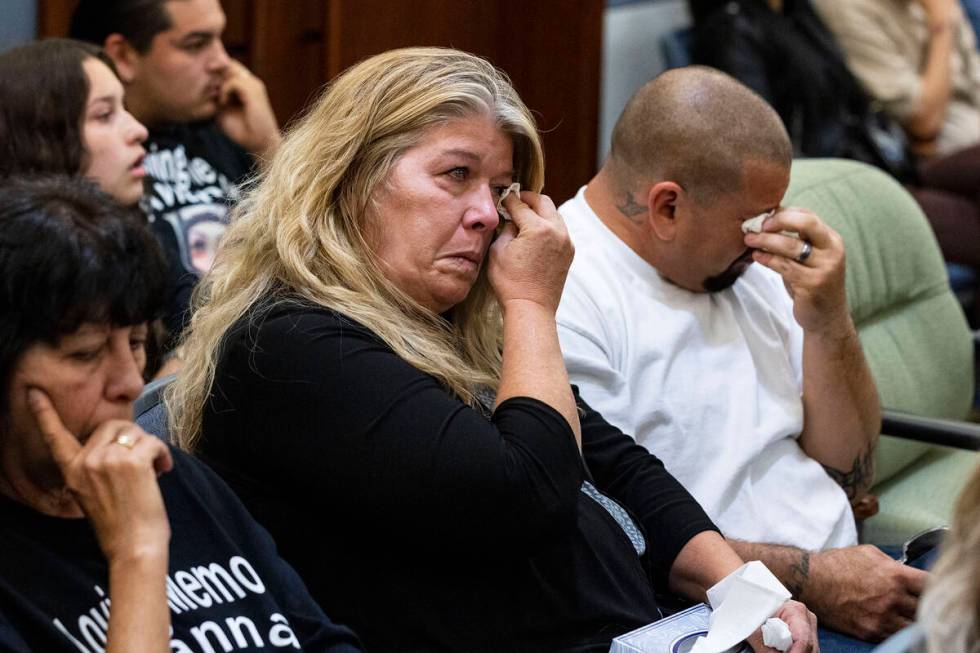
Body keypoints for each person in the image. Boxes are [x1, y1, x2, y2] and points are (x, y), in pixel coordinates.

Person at [166, 47, 818, 652]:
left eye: (501, 189)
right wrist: (532, 305)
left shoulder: (445, 323)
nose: (486, 213)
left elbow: (616, 462)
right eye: (456, 175)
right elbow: (527, 495)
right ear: (349, 179)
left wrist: (740, 591)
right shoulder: (292, 344)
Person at [554, 66, 925, 649]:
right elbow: (618, 529)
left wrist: (828, 316)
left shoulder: (743, 269)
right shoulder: (565, 291)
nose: (766, 239)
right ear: (667, 207)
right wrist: (817, 580)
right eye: (753, 222)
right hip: (736, 616)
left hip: (856, 575)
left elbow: (850, 464)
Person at [0, 176, 362, 652]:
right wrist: (136, 553)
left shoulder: (176, 476)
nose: (130, 382)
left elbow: (321, 640)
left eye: (134, 344)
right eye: (86, 354)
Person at [70, 0, 282, 344]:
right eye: (196, 44)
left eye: (219, 39)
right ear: (123, 55)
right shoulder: (97, 154)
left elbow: (308, 249)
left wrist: (268, 146)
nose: (222, 62)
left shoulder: (230, 125)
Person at [0, 38, 180, 376]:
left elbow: (194, 325)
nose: (138, 130)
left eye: (125, 108)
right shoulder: (16, 268)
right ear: (43, 140)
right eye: (105, 114)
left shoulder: (145, 227)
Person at [810, 0, 980, 278]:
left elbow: (975, 78)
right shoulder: (846, 9)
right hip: (920, 160)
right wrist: (941, 28)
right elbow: (924, 120)